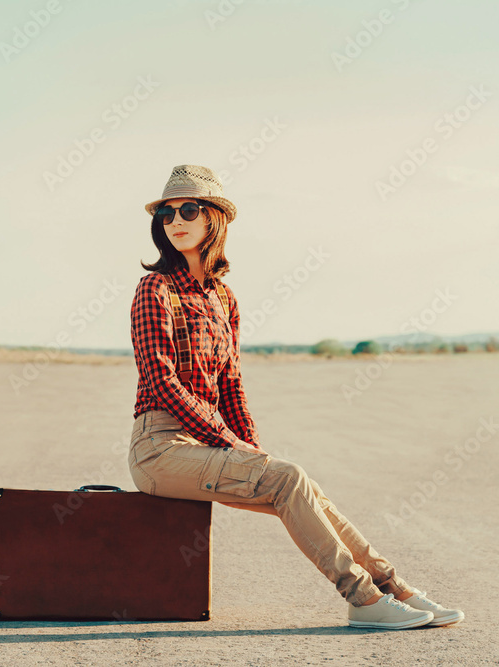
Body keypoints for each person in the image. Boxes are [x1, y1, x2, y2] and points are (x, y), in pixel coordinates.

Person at [127, 164, 464, 630]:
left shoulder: (224, 298)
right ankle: (364, 602)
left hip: (206, 443)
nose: (176, 221)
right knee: (289, 479)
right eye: (166, 213)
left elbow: (231, 385)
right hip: (160, 448)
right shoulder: (155, 289)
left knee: (302, 487)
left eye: (189, 209)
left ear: (214, 220)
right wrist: (229, 440)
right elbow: (162, 380)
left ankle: (393, 588)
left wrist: (250, 445)